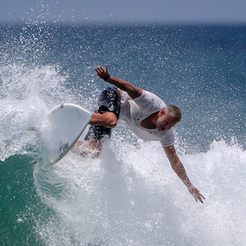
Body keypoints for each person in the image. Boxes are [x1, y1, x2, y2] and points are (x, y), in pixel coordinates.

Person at [83, 65, 205, 203]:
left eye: (170, 126)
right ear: (161, 113)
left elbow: (175, 162)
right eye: (166, 122)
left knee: (93, 151)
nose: (165, 127)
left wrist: (189, 186)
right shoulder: (151, 103)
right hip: (114, 96)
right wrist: (108, 78)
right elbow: (130, 87)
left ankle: (63, 147)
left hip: (117, 115)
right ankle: (78, 118)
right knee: (111, 121)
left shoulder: (166, 135)